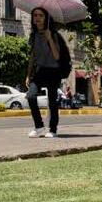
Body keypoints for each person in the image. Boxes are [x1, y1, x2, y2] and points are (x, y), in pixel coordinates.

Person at [25, 7, 70, 138]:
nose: (37, 18)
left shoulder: (53, 34)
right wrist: (28, 75)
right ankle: (39, 126)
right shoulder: (33, 36)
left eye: (40, 15)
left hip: (53, 71)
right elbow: (32, 57)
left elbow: (57, 56)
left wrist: (49, 38)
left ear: (46, 18)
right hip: (39, 71)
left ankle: (53, 129)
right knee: (31, 96)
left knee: (52, 101)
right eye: (35, 15)